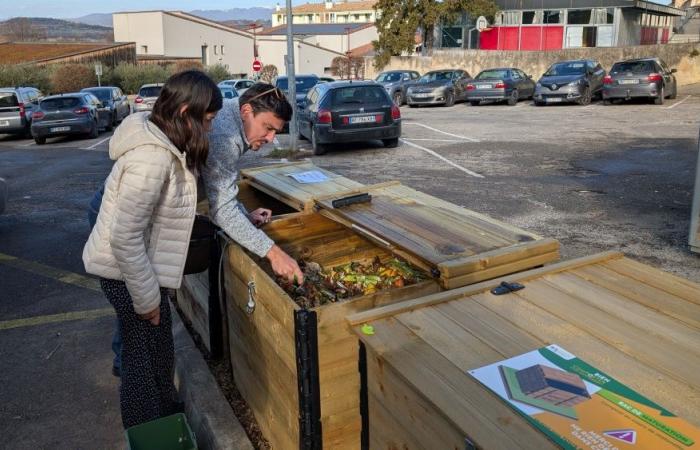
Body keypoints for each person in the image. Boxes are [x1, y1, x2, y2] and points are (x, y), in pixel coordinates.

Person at [82, 70, 223, 429]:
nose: (208, 130)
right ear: (186, 111)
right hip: (126, 273)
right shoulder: (151, 159)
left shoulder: (165, 145)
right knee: (142, 365)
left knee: (159, 355)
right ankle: (149, 431)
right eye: (206, 120)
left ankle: (168, 420)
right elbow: (125, 237)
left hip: (138, 271)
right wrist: (148, 302)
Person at [203, 83, 304, 283]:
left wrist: (244, 215)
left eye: (276, 132)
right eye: (268, 128)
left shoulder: (233, 118)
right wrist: (274, 253)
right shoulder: (224, 137)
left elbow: (221, 189)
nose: (271, 138)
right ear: (246, 110)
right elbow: (222, 209)